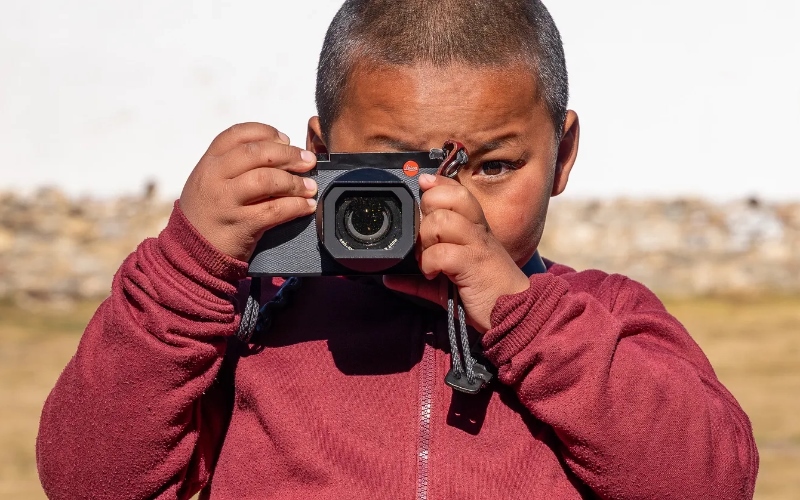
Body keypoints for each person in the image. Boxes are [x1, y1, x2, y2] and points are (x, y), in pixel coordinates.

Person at [36, 0, 758, 498]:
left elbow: (711, 482)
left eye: (494, 166)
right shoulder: (259, 312)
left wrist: (524, 318)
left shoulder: (602, 318)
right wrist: (187, 271)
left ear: (563, 154)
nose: (450, 203)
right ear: (319, 155)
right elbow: (90, 480)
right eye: (394, 172)